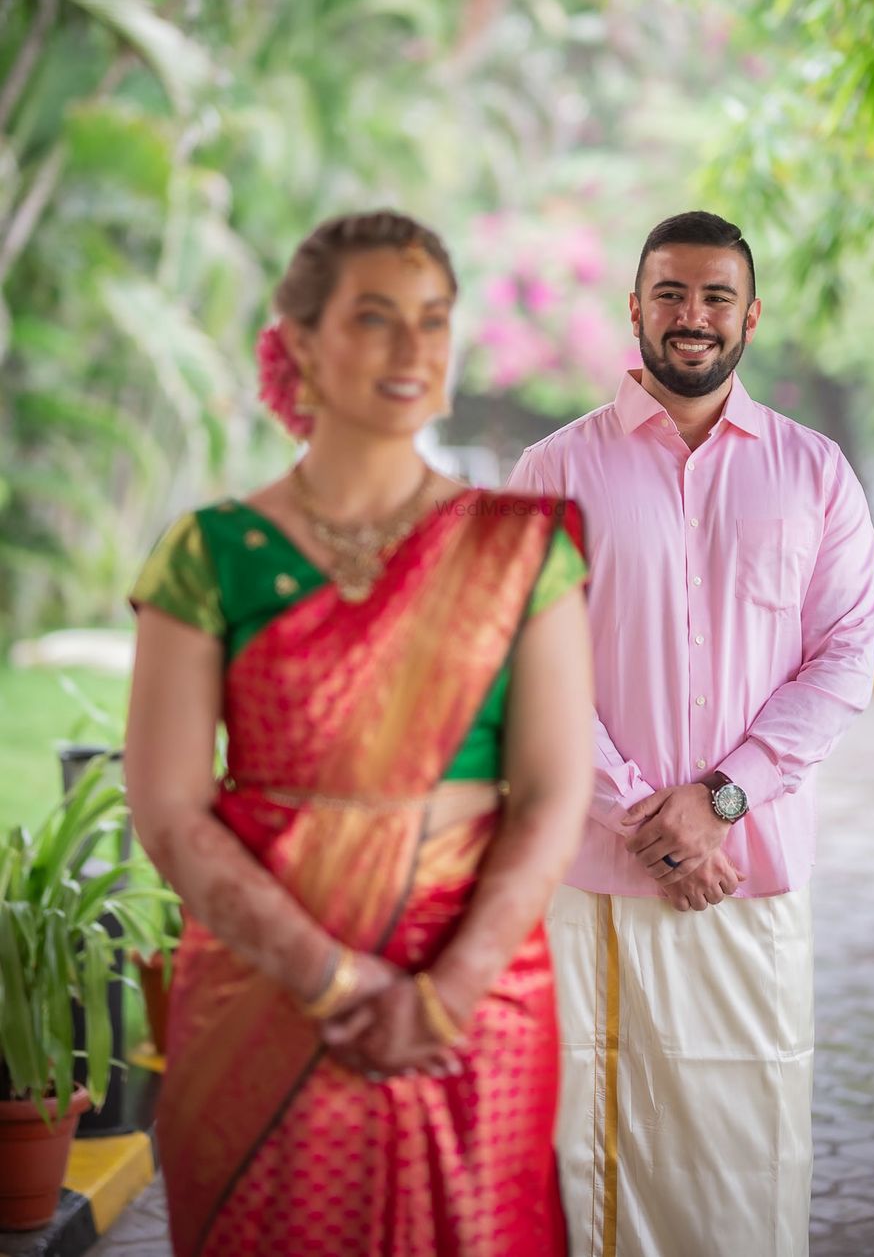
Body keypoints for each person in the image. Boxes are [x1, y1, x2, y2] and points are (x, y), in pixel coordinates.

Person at [124, 210, 594, 1257]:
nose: (413, 347)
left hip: (473, 1000)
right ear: (298, 340)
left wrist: (446, 993)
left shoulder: (520, 549)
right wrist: (327, 974)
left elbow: (555, 791)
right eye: (374, 317)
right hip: (263, 992)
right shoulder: (211, 552)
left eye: (433, 319)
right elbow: (164, 803)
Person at [508, 210, 874, 1257]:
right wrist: (637, 809)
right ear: (633, 308)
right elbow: (520, 655)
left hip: (744, 873)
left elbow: (845, 655)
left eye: (715, 295)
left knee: (740, 1150)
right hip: (591, 877)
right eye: (669, 292)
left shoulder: (814, 473)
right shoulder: (550, 469)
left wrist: (718, 800)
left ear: (749, 315)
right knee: (587, 1148)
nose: (692, 315)